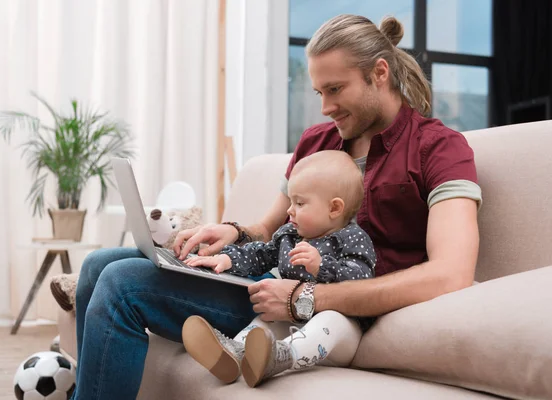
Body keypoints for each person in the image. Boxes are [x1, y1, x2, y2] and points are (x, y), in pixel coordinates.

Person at [71, 14, 481, 399]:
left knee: (121, 284)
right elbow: (270, 228)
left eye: (335, 90)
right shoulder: (316, 143)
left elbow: (451, 273)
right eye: (319, 92)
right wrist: (232, 233)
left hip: (329, 304)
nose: (325, 107)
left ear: (379, 73)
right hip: (271, 279)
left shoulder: (439, 149)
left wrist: (304, 299)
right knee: (97, 264)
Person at [181, 150, 376, 387]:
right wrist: (227, 259)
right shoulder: (289, 236)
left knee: (330, 320)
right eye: (291, 201)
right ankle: (235, 353)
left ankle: (282, 357)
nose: (289, 210)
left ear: (334, 208)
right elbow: (260, 254)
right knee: (266, 319)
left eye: (300, 203)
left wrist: (321, 266)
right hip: (294, 317)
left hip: (340, 334)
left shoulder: (353, 238)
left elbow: (363, 280)